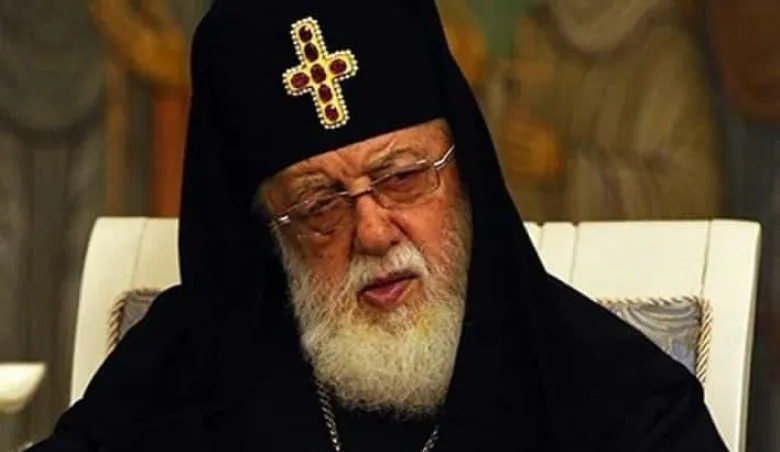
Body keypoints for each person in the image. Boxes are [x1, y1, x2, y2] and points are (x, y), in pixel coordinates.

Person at [31, 0, 727, 450]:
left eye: (402, 177)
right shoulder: (181, 371)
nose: (372, 231)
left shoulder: (616, 398)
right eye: (318, 205)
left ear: (464, 175)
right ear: (271, 231)